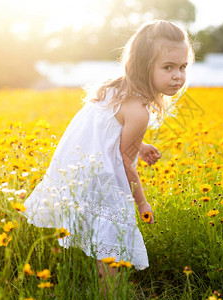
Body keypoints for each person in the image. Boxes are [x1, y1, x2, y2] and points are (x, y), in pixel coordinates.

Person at [23, 20, 193, 276]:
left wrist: (140, 144)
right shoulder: (138, 111)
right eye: (168, 67)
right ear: (143, 67)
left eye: (182, 67)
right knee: (111, 247)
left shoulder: (115, 88)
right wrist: (142, 204)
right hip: (103, 178)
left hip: (79, 169)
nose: (178, 75)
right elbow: (125, 165)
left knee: (99, 234)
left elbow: (109, 131)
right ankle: (109, 292)